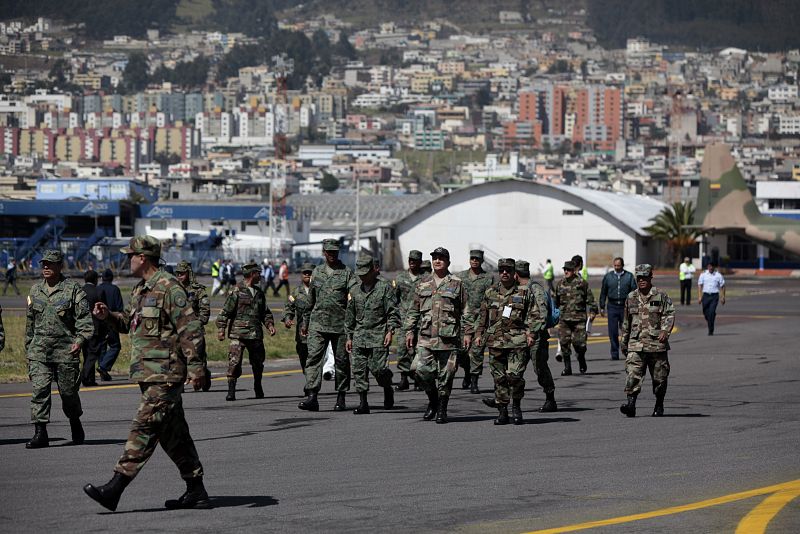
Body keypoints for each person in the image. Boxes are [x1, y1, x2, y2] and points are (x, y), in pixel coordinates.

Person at [84, 235, 209, 511]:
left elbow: (190, 328)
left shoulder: (169, 287)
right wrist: (108, 316)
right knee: (174, 435)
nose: (128, 260)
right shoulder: (141, 289)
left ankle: (115, 487)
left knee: (143, 427)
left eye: (130, 255)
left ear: (143, 258)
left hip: (165, 375)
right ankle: (196, 489)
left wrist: (196, 367)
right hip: (149, 373)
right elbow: (128, 323)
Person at [24, 249, 93, 449]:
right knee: (39, 391)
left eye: (50, 263)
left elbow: (84, 321)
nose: (46, 267)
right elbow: (30, 323)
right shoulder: (35, 290)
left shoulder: (73, 289)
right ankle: (40, 432)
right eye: (44, 264)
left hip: (66, 352)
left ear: (59, 266)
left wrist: (79, 340)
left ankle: (74, 420)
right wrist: (29, 349)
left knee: (68, 393)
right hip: (39, 352)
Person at [404, 247, 472, 424]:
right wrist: (409, 330)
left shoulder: (457, 283)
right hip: (426, 337)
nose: (437, 261)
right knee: (418, 369)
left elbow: (466, 310)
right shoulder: (423, 283)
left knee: (446, 375)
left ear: (448, 262)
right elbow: (413, 309)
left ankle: (442, 408)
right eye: (435, 258)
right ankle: (433, 399)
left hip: (448, 338)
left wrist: (468, 333)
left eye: (441, 258)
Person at [474, 259, 537, 425]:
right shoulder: (490, 292)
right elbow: (482, 317)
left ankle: (516, 407)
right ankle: (503, 411)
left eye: (508, 270)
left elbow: (533, 314)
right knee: (499, 378)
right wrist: (478, 334)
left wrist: (531, 333)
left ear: (514, 272)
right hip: (495, 342)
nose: (504, 273)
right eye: (501, 270)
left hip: (517, 342)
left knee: (514, 376)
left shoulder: (524, 292)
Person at [298, 239, 358, 412]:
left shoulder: (346, 273)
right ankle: (312, 396)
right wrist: (305, 322)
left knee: (341, 362)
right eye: (329, 252)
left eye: (334, 252)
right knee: (313, 359)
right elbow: (311, 300)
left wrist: (352, 327)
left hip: (340, 325)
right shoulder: (317, 272)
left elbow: (353, 300)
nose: (332, 254)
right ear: (324, 252)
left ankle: (341, 397)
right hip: (318, 324)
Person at [345, 253, 400, 414]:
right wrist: (349, 337)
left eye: (365, 273)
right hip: (359, 337)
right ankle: (363, 403)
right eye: (360, 274)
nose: (362, 277)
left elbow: (392, 312)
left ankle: (387, 388)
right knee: (359, 371)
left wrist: (390, 331)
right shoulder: (355, 290)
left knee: (379, 370)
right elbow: (350, 316)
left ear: (372, 271)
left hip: (378, 337)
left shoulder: (384, 288)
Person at [620, 264, 675, 417]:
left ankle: (659, 404)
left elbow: (669, 314)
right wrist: (624, 341)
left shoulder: (660, 295)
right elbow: (626, 322)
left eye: (645, 277)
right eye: (639, 278)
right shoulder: (631, 297)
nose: (641, 280)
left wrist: (665, 330)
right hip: (636, 344)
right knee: (632, 374)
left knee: (660, 379)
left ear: (651, 277)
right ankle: (631, 405)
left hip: (656, 344)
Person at [216, 262, 276, 401]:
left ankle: (257, 386)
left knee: (258, 363)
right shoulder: (236, 291)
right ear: (252, 274)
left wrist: (270, 325)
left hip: (255, 334)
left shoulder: (259, 293)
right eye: (258, 273)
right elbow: (225, 312)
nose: (260, 275)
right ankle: (231, 390)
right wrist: (221, 329)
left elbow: (265, 312)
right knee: (234, 362)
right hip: (238, 333)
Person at [516, 260, 557, 412]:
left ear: (516, 274)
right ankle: (507, 402)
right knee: (515, 369)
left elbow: (543, 314)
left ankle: (550, 399)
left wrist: (533, 332)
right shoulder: (515, 289)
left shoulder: (535, 289)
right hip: (520, 337)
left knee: (540, 368)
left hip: (537, 337)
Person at [456, 249, 495, 393]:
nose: (474, 261)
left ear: (482, 261)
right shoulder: (460, 277)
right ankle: (467, 371)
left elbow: (491, 299)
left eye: (477, 259)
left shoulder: (488, 278)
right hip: (463, 319)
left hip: (480, 319)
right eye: (472, 258)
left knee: (477, 351)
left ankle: (474, 380)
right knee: (461, 351)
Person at [554, 260, 598, 375]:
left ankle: (581, 358)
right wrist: (553, 314)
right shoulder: (560, 284)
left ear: (573, 271)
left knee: (580, 344)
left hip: (579, 319)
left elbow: (590, 299)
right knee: (564, 343)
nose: (566, 271)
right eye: (565, 269)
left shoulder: (582, 283)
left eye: (568, 270)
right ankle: (567, 368)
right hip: (564, 320)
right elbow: (555, 301)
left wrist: (593, 311)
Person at [175, 261, 212, 392]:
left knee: (198, 357)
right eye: (177, 273)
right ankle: (180, 384)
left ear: (189, 273)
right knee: (179, 357)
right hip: (179, 330)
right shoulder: (174, 290)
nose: (179, 276)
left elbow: (205, 309)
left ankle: (204, 375)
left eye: (182, 273)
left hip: (194, 331)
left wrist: (198, 323)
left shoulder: (198, 290)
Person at [393, 250, 423, 391]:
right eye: (410, 259)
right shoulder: (400, 278)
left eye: (415, 260)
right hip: (403, 321)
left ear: (420, 262)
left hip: (421, 321)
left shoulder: (425, 279)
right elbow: (394, 299)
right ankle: (404, 378)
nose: (412, 262)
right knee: (402, 350)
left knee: (419, 351)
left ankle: (418, 380)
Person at [282, 263, 314, 387]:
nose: (307, 275)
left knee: (315, 360)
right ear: (301, 275)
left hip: (318, 331)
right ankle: (309, 381)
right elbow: (288, 308)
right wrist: (287, 319)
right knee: (303, 358)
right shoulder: (296, 292)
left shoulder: (320, 291)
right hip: (302, 334)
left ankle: (311, 385)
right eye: (305, 272)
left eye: (310, 272)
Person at [599, 257, 637, 361]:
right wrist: (602, 307)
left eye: (618, 265)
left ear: (622, 265)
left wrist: (634, 306)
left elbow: (634, 292)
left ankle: (627, 351)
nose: (616, 267)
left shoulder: (629, 276)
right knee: (613, 332)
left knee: (626, 330)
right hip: (612, 306)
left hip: (625, 307)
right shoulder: (608, 277)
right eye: (615, 265)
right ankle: (614, 353)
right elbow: (603, 292)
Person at [81, 270, 107, 387]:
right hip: (95, 327)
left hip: (81, 327)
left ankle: (89, 379)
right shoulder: (98, 291)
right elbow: (103, 311)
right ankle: (85, 375)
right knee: (93, 353)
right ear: (96, 279)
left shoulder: (80, 291)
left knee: (86, 354)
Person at [98, 269, 124, 381]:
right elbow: (120, 307)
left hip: (99, 320)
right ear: (112, 278)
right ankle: (103, 367)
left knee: (102, 346)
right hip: (111, 319)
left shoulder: (98, 288)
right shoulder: (115, 289)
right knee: (115, 346)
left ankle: (102, 370)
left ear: (102, 278)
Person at [698, 262, 725, 335]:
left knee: (711, 312)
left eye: (712, 266)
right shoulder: (703, 274)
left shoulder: (718, 275)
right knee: (705, 312)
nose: (711, 268)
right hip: (705, 296)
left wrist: (723, 297)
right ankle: (711, 319)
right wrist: (700, 296)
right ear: (707, 267)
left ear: (714, 267)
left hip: (714, 296)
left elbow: (722, 286)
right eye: (709, 266)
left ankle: (711, 330)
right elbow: (700, 285)